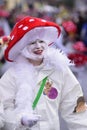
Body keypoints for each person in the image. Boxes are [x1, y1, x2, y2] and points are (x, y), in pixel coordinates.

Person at [0, 16, 87, 130]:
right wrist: (20, 120)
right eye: (32, 43)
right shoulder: (12, 75)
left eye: (41, 41)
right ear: (23, 47)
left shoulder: (60, 69)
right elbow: (3, 108)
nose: (38, 46)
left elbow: (76, 105)